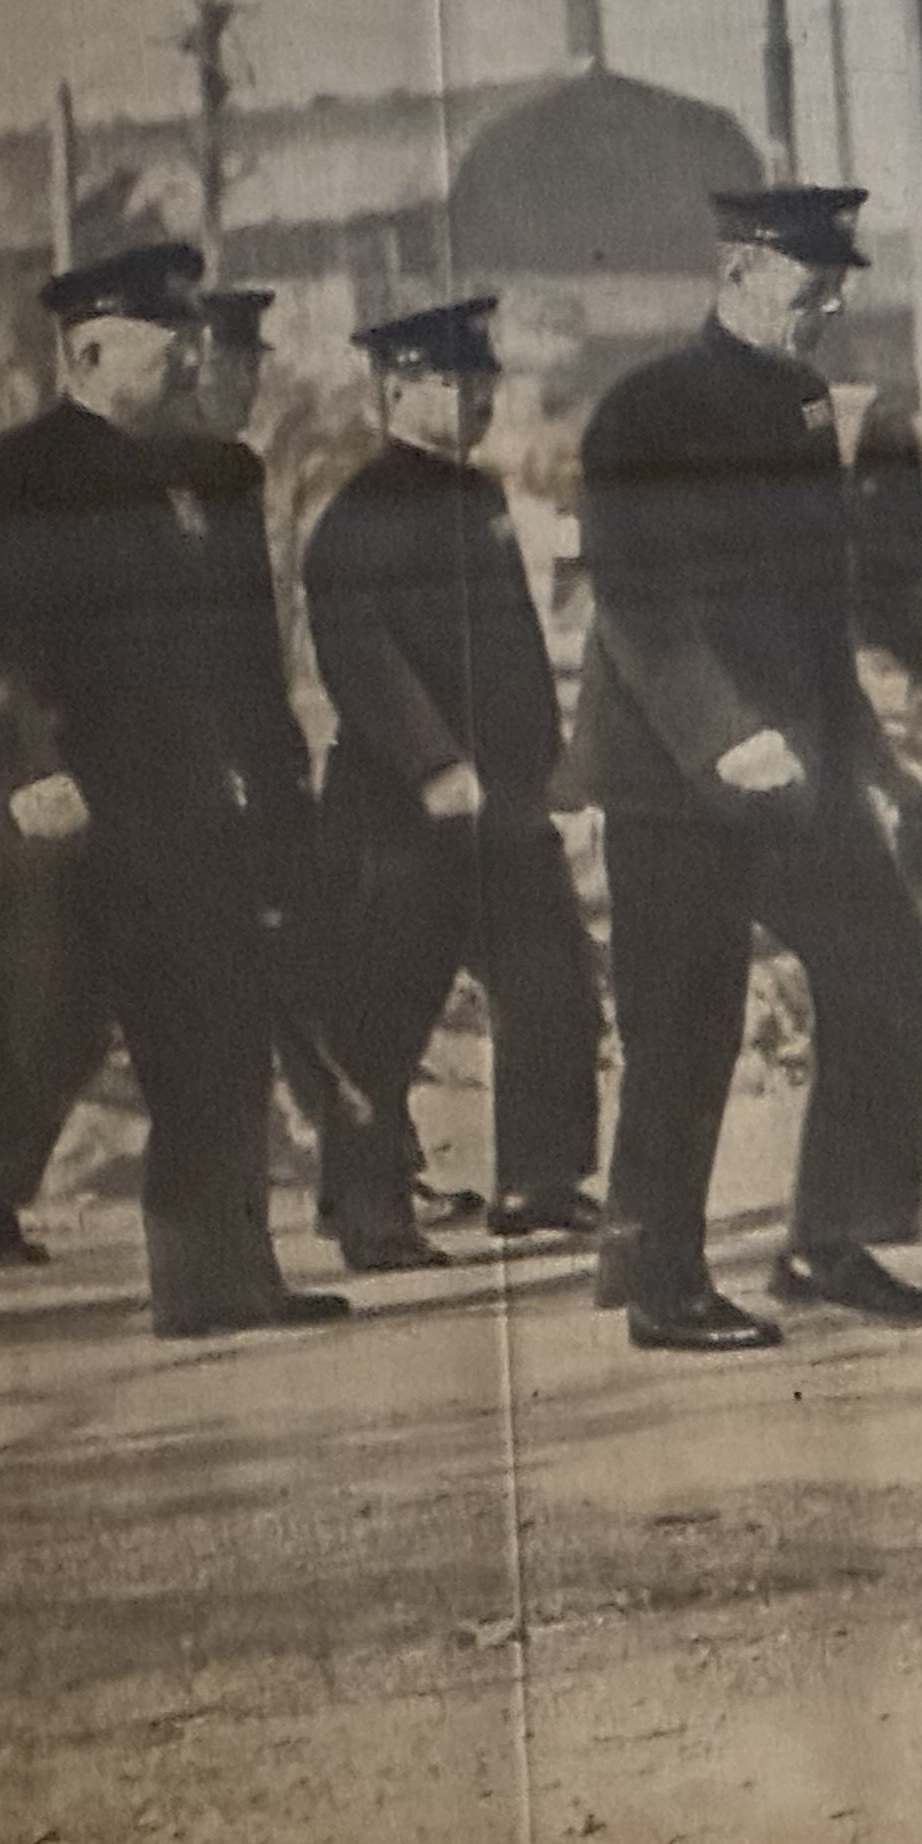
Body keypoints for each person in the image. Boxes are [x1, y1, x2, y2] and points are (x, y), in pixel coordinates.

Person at [0, 242, 352, 1333]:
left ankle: (215, 1283)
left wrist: (281, 803)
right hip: (59, 829)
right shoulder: (4, 480)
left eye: (195, 330)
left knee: (216, 1042)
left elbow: (251, 667)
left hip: (189, 821)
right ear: (89, 349)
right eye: (170, 335)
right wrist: (24, 773)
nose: (197, 349)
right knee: (16, 1058)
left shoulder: (219, 476)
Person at [565, 185, 922, 1351]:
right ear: (737, 273)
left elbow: (811, 615)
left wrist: (871, 763)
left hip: (796, 768)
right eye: (810, 279)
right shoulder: (642, 413)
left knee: (887, 970)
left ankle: (831, 1241)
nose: (833, 301)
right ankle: (659, 1283)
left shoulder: (798, 403)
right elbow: (639, 601)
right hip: (673, 769)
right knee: (685, 1024)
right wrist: (722, 732)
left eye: (840, 280)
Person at [176, 284, 473, 1273]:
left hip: (246, 775)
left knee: (311, 981)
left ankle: (365, 1189)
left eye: (257, 358)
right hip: (159, 783)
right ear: (189, 360)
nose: (252, 375)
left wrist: (273, 767)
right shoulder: (145, 479)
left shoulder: (232, 471)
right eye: (235, 358)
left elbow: (252, 643)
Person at [303, 295, 607, 1255]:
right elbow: (358, 651)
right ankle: (365, 1211)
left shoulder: (472, 495)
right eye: (456, 381)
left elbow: (512, 653)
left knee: (551, 978)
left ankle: (541, 1180)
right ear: (396, 389)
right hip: (405, 806)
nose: (479, 396)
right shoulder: (360, 510)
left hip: (503, 801)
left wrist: (545, 769)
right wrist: (435, 763)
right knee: (385, 1014)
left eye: (486, 379)